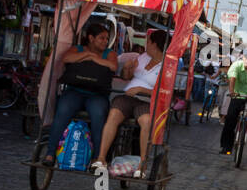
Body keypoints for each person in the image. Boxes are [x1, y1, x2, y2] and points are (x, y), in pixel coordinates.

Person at [42, 21, 115, 167]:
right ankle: (50, 153)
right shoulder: (77, 48)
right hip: (75, 91)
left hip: (97, 94)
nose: (105, 42)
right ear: (91, 38)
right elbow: (67, 59)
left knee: (98, 115)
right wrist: (87, 53)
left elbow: (112, 66)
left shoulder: (110, 53)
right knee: (62, 111)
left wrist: (93, 58)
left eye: (107, 39)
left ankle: (96, 157)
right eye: (102, 38)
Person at [94, 28, 167, 173]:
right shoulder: (143, 57)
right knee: (113, 114)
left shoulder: (167, 65)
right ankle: (101, 158)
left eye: (148, 41)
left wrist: (141, 89)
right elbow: (126, 77)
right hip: (128, 97)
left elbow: (164, 92)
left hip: (147, 101)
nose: (146, 44)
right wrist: (127, 70)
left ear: (154, 44)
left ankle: (143, 163)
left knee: (146, 121)